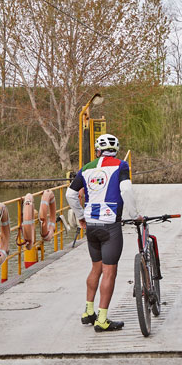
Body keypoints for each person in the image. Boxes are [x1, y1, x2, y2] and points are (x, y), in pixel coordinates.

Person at [65, 133, 137, 332]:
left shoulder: (86, 168)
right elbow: (126, 190)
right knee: (109, 271)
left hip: (92, 226)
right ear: (116, 150)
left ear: (97, 150)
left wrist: (80, 216)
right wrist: (135, 214)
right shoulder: (121, 165)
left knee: (95, 268)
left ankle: (88, 311)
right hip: (110, 224)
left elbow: (70, 194)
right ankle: (102, 319)